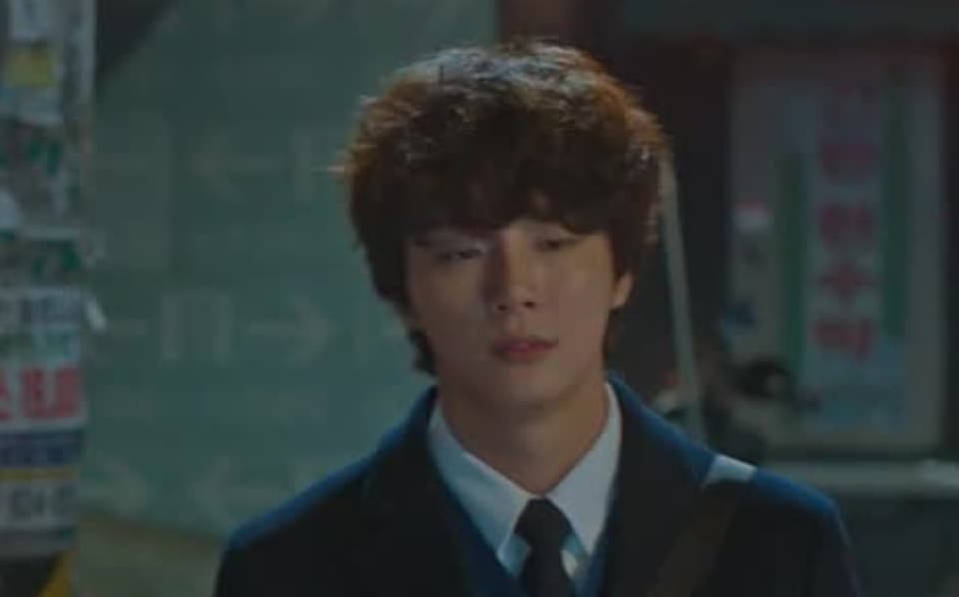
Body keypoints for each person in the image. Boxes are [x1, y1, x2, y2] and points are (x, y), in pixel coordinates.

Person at [213, 41, 861, 596]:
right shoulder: (289, 569)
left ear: (622, 271)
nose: (514, 290)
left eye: (553, 244)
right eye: (461, 253)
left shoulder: (777, 545)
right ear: (402, 290)